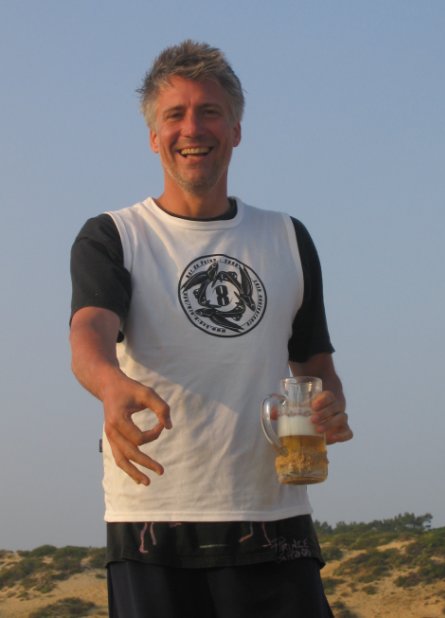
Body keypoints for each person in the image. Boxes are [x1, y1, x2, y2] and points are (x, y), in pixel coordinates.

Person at [69, 40, 353, 618]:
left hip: (274, 516)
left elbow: (316, 367)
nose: (192, 128)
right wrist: (110, 384)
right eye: (174, 114)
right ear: (154, 136)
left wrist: (331, 407)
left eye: (210, 112)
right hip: (153, 519)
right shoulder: (114, 236)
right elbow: (90, 331)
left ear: (236, 130)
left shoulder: (287, 238)